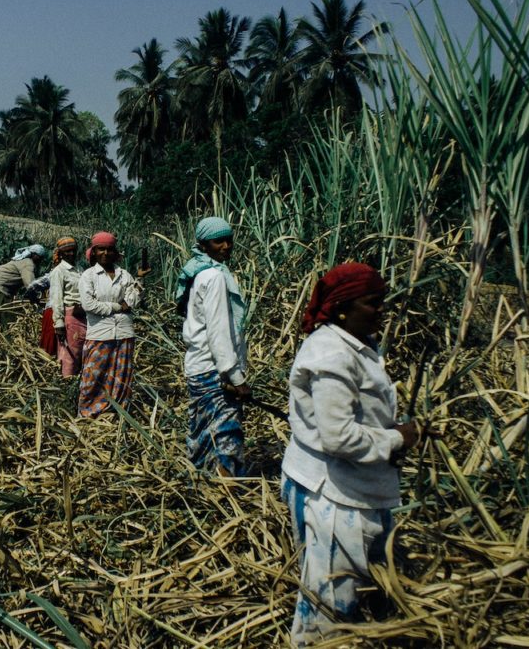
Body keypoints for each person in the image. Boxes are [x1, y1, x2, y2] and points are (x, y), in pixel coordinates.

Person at [280, 262, 419, 645]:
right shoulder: (333, 356)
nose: (382, 311)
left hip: (341, 483)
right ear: (342, 306)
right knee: (330, 605)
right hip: (335, 495)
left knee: (347, 589)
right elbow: (339, 438)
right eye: (373, 303)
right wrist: (397, 439)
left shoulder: (353, 343)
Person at [176, 216, 249, 476]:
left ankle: (202, 485)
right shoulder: (215, 278)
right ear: (204, 244)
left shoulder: (199, 273)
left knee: (204, 433)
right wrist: (235, 376)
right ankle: (227, 492)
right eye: (219, 241)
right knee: (225, 437)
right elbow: (218, 333)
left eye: (229, 240)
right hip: (214, 369)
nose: (226, 246)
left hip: (198, 366)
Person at [77, 231, 149, 417]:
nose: (105, 253)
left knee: (121, 376)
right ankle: (88, 413)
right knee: (93, 376)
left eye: (110, 250)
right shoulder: (89, 276)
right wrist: (117, 306)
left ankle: (116, 412)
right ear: (93, 252)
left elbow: (133, 299)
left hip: (124, 332)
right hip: (100, 332)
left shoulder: (124, 275)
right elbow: (89, 304)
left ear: (115, 252)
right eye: (101, 249)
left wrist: (140, 279)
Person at [0, 244, 46, 329]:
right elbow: (30, 285)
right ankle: (5, 340)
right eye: (40, 257)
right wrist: (37, 301)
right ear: (33, 255)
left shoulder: (19, 260)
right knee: (6, 319)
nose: (41, 260)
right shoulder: (28, 263)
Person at [49, 236, 86, 376]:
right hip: (71, 315)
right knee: (70, 353)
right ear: (61, 253)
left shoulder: (79, 269)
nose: (71, 254)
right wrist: (58, 323)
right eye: (67, 251)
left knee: (82, 351)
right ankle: (67, 380)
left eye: (73, 250)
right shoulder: (58, 272)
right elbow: (56, 298)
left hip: (83, 313)